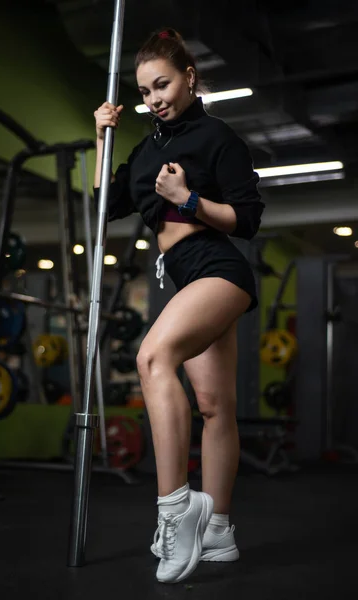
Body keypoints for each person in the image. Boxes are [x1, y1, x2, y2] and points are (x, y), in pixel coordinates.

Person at [93, 28, 264, 584]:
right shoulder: (146, 151)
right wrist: (102, 138)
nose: (155, 98)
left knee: (151, 359)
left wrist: (187, 200)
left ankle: (176, 508)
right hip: (181, 274)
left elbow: (247, 219)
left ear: (189, 77)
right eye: (145, 92)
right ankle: (217, 530)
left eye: (162, 84)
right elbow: (106, 203)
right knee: (214, 405)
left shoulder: (218, 138)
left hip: (218, 268)